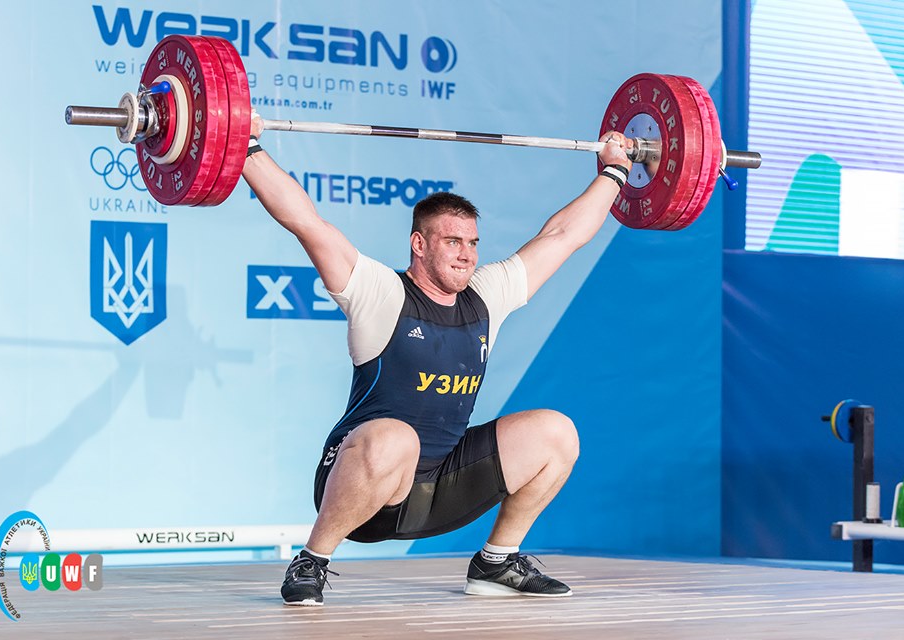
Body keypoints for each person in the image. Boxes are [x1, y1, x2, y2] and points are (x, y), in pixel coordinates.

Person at [243, 113, 633, 606]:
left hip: (440, 487)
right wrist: (246, 144)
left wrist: (614, 172)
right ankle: (313, 560)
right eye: (453, 241)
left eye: (472, 242)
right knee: (395, 435)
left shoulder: (486, 295)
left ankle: (496, 561)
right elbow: (305, 221)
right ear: (419, 244)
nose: (467, 254)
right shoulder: (379, 292)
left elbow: (562, 237)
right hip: (367, 489)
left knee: (556, 432)